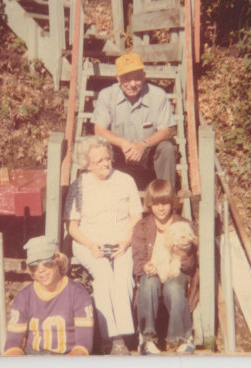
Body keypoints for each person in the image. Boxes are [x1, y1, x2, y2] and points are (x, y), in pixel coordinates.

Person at [64, 136, 143, 355]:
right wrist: (91, 245)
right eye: (99, 161)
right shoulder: (78, 186)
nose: (106, 164)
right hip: (90, 243)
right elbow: (72, 227)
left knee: (123, 277)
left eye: (107, 159)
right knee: (104, 276)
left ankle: (124, 333)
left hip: (122, 240)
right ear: (87, 164)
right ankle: (113, 337)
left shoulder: (125, 180)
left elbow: (137, 217)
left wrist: (126, 243)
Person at [131, 179, 199, 355]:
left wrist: (182, 254)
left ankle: (182, 338)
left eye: (165, 203)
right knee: (148, 284)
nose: (161, 208)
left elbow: (190, 265)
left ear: (172, 203)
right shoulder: (142, 226)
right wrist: (145, 266)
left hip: (175, 272)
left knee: (174, 287)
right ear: (150, 205)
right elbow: (138, 258)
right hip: (152, 272)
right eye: (156, 204)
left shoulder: (183, 225)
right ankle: (146, 339)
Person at [91, 52, 177, 189]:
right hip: (118, 153)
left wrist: (143, 145)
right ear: (118, 78)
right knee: (98, 147)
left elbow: (167, 130)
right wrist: (123, 143)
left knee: (167, 148)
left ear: (144, 77)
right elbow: (99, 130)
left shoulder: (158, 95)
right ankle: (102, 196)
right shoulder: (107, 95)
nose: (132, 84)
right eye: (126, 79)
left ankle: (166, 199)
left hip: (148, 152)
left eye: (137, 79)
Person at [4, 236, 94, 356]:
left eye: (47, 263)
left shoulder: (78, 294)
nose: (41, 270)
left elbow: (83, 346)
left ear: (58, 261)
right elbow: (12, 344)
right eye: (34, 266)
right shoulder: (23, 297)